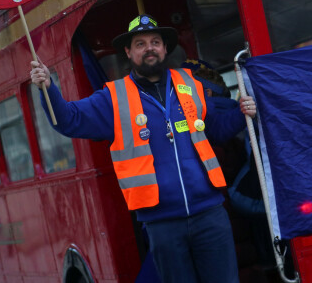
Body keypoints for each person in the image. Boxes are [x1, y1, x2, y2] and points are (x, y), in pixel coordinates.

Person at [30, 14, 257, 283]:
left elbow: (216, 129)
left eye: (155, 42)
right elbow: (68, 120)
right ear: (128, 52)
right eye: (140, 44)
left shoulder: (191, 85)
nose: (149, 48)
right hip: (162, 224)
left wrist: (243, 112)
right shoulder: (113, 97)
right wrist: (48, 88)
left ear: (164, 48)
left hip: (210, 214)